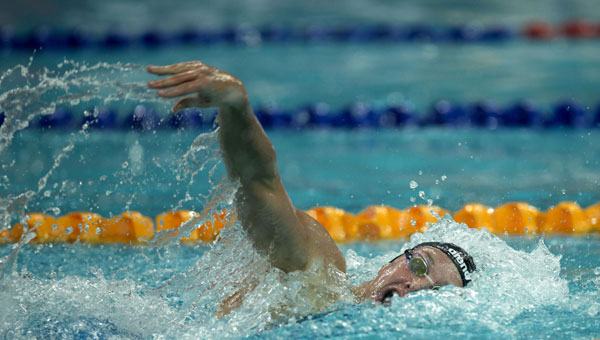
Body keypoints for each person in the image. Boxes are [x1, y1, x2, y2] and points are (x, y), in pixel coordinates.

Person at [146, 61, 476, 314]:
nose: (414, 286)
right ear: (390, 262)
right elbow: (260, 183)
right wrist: (236, 106)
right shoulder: (321, 274)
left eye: (435, 293)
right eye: (420, 265)